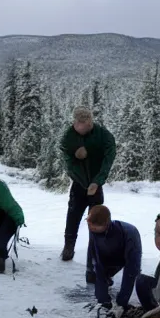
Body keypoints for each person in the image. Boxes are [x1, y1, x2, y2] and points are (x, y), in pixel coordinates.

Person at [59, 106, 116, 261]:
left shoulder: (104, 136)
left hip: (96, 186)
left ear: (90, 122)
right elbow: (66, 158)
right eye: (76, 123)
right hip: (78, 184)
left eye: (81, 123)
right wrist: (75, 153)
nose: (77, 126)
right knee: (73, 216)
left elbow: (108, 161)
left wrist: (97, 182)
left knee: (97, 219)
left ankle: (96, 251)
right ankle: (68, 247)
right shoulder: (69, 135)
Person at [86, 205, 142, 318]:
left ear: (106, 223)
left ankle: (120, 303)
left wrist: (121, 303)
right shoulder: (93, 227)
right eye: (89, 225)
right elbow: (97, 259)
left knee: (132, 273)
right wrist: (103, 300)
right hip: (107, 252)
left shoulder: (129, 233)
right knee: (94, 280)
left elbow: (131, 270)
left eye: (94, 227)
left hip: (126, 252)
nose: (90, 228)